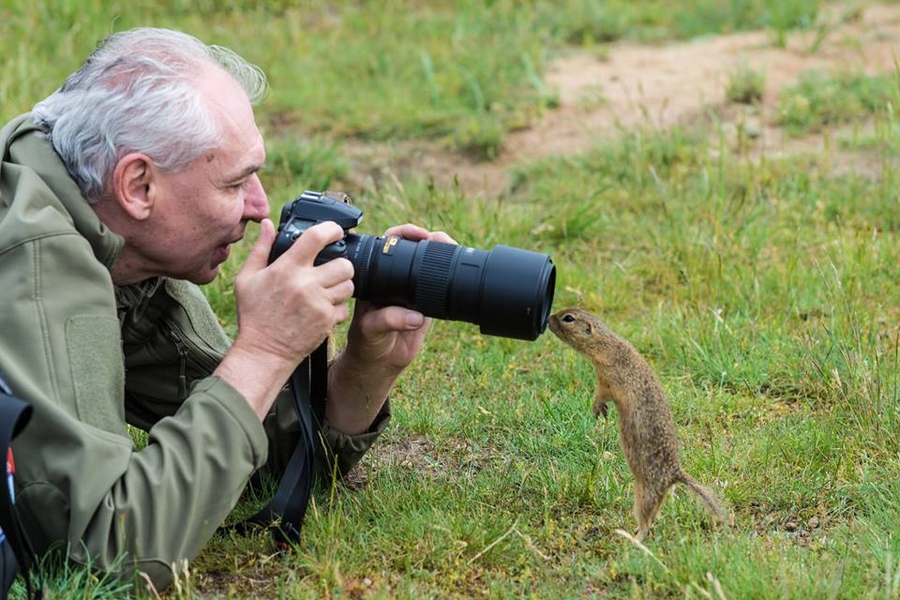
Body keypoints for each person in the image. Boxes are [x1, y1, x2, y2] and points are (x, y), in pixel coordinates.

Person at [0, 27, 452, 590]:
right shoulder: (38, 268)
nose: (260, 207)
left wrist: (367, 367)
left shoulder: (108, 231)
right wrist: (263, 352)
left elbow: (258, 452)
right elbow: (107, 557)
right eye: (235, 182)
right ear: (138, 185)